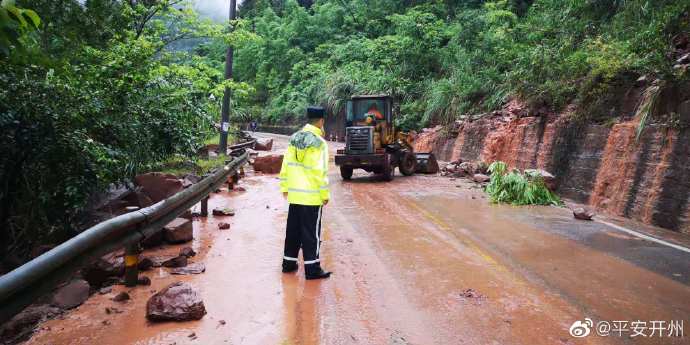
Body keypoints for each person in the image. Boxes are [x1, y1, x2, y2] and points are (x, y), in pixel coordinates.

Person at [278, 106, 332, 280]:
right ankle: (312, 269)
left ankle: (288, 264)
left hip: (294, 195)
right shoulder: (319, 143)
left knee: (293, 231)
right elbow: (319, 171)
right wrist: (324, 195)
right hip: (311, 196)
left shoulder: (294, 139)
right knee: (311, 233)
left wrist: (285, 187)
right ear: (321, 121)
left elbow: (285, 164)